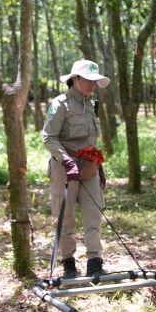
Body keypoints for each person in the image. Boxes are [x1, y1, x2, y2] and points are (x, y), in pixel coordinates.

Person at [42, 59, 111, 279]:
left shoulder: (92, 105)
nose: (93, 86)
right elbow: (49, 137)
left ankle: (95, 262)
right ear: (75, 79)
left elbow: (92, 139)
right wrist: (66, 160)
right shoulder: (60, 104)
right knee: (66, 216)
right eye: (88, 81)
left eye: (95, 81)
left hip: (88, 167)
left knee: (93, 214)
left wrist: (98, 167)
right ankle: (69, 264)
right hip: (65, 169)